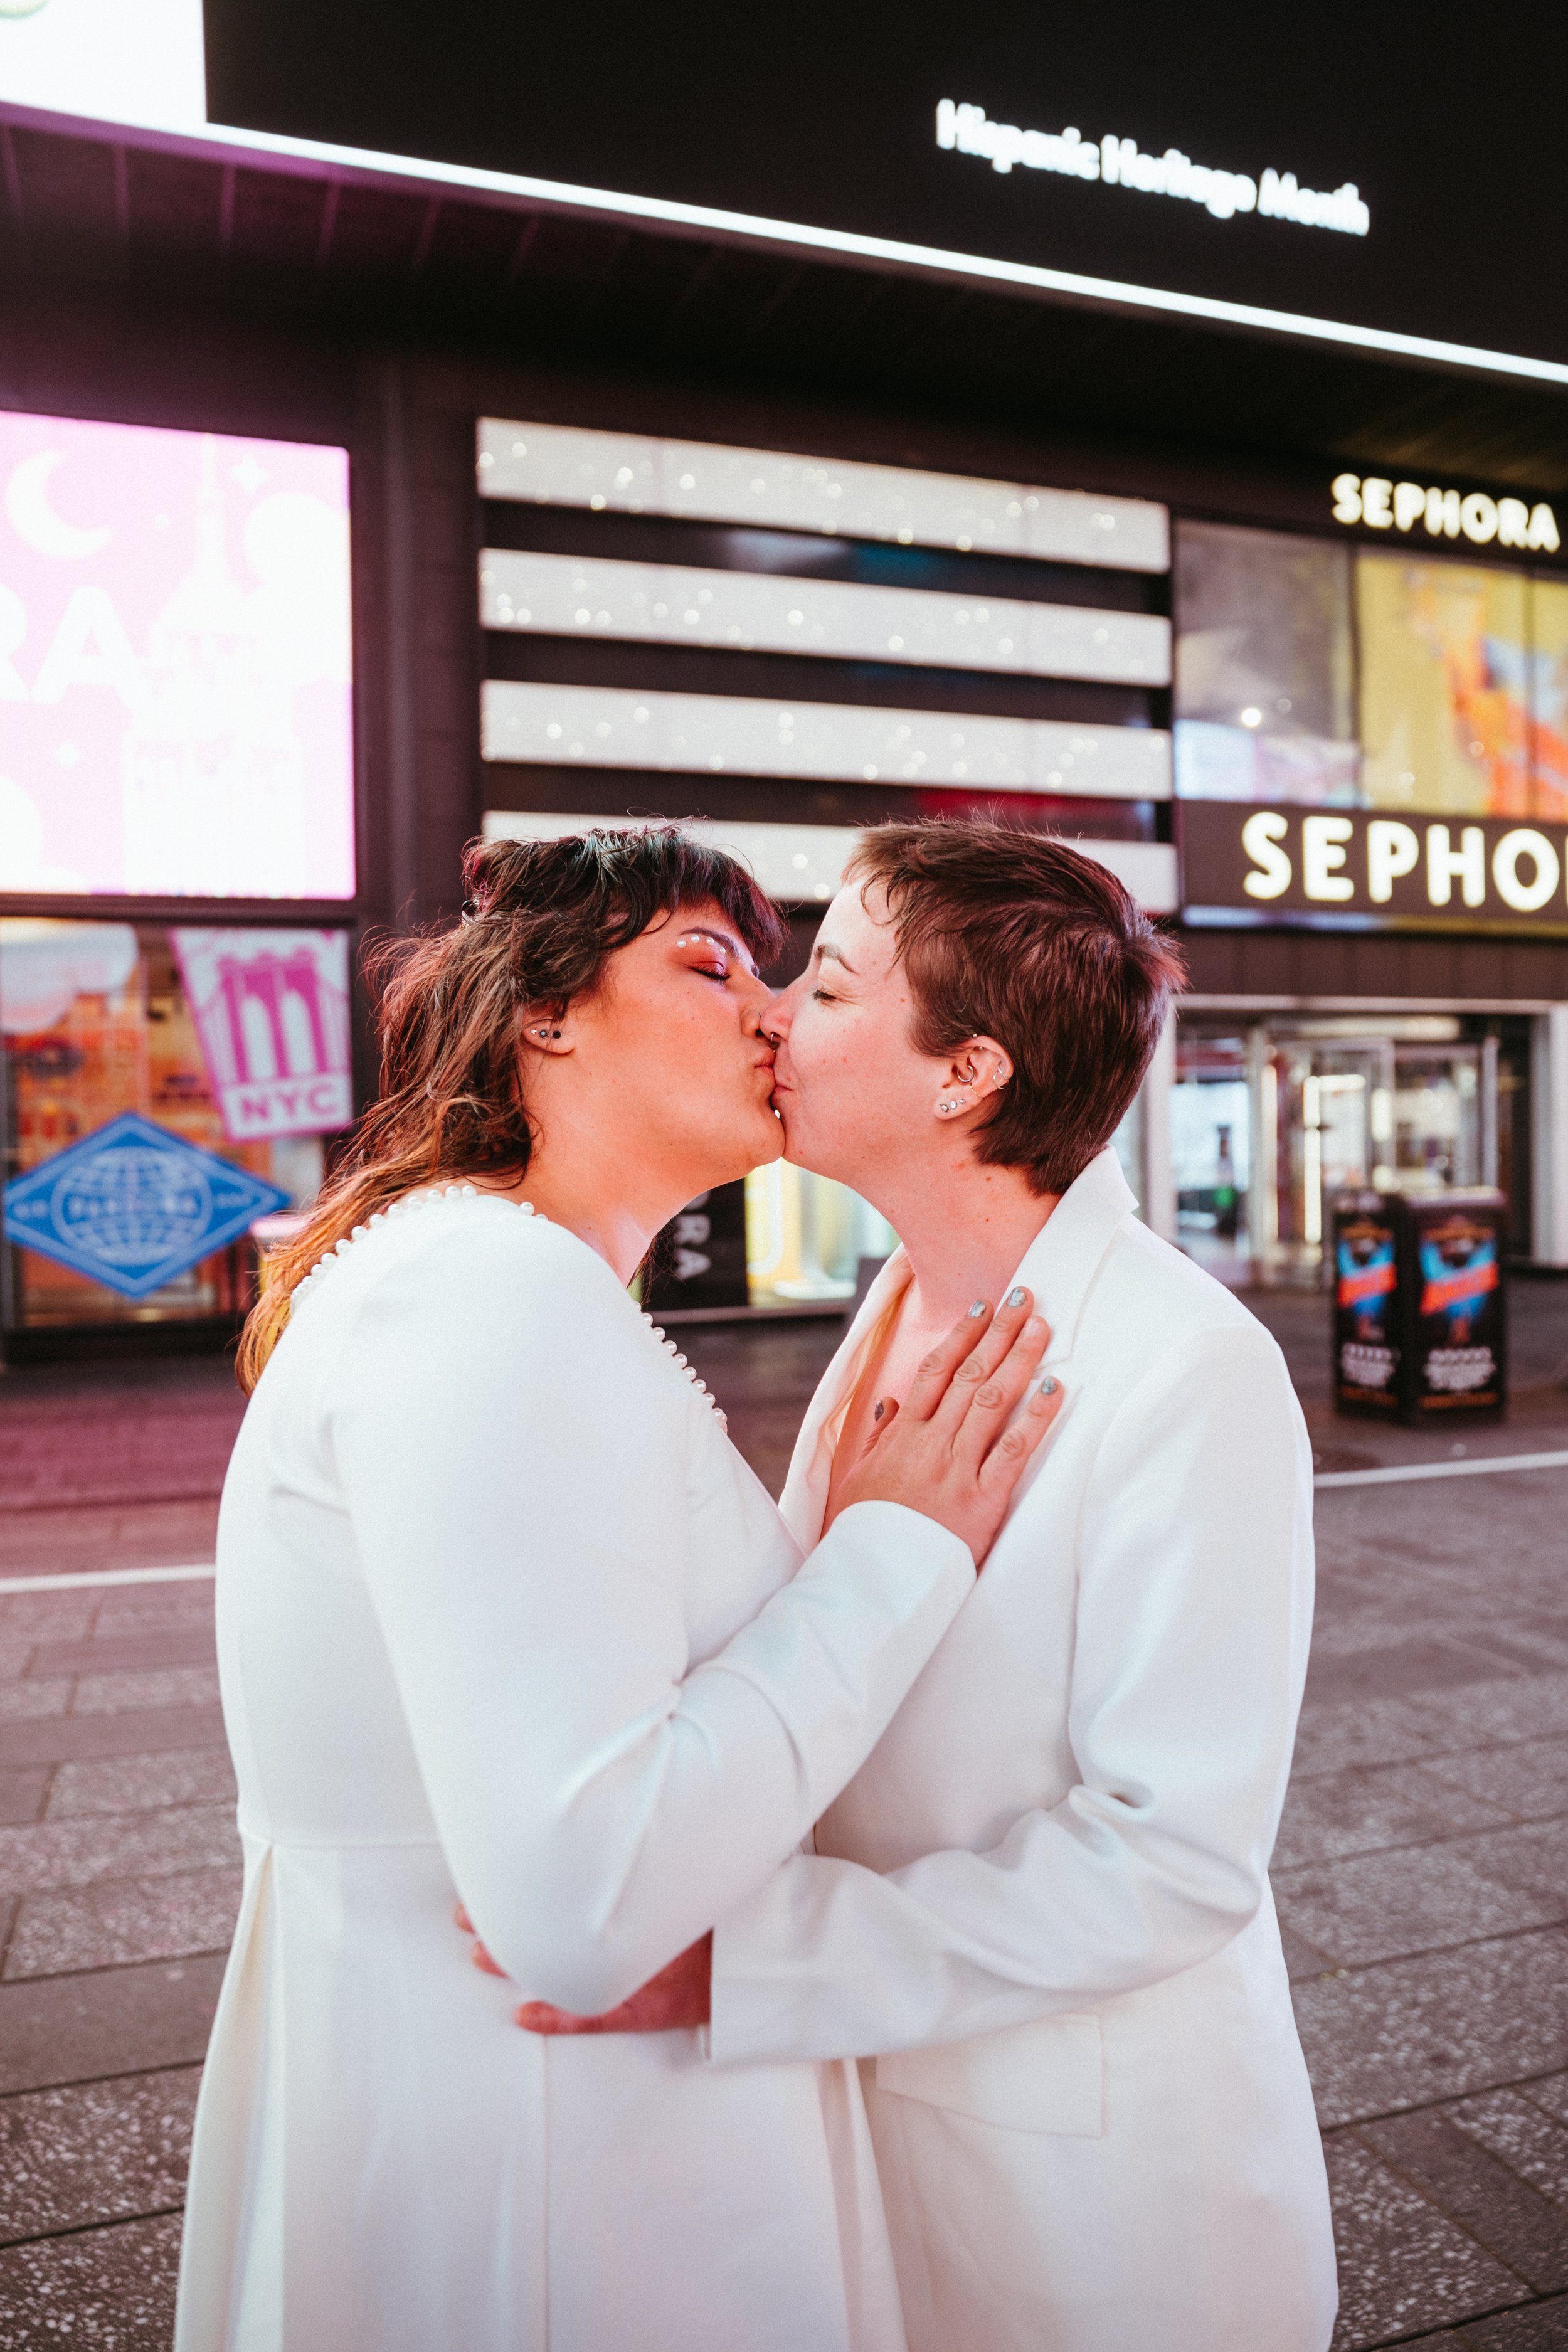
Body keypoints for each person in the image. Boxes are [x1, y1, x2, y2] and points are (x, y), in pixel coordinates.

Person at [173, 825, 1061, 2352]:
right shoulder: (489, 1293)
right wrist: (893, 1557)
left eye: (779, 978)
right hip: (554, 2184)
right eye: (711, 965)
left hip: (527, 2133)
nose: (773, 1015)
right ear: (544, 1011)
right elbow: (583, 1900)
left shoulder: (493, 1285)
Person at [526, 820, 1337, 2352]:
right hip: (868, 2123)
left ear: (964, 1073)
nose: (773, 1018)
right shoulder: (894, 1300)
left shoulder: (1186, 1369)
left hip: (1093, 2196)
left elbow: (1174, 1859)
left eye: (824, 991)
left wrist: (748, 1967)